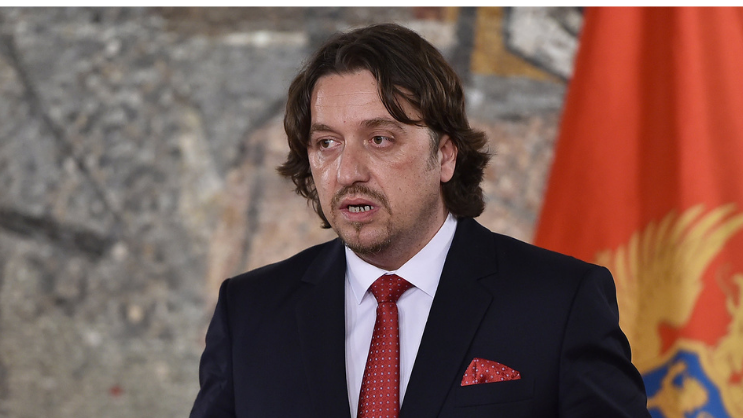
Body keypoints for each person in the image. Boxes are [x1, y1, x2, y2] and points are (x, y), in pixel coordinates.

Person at [190, 23, 650, 418]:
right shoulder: (248, 312)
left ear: (445, 155)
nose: (348, 172)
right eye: (327, 143)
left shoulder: (560, 302)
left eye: (380, 139)